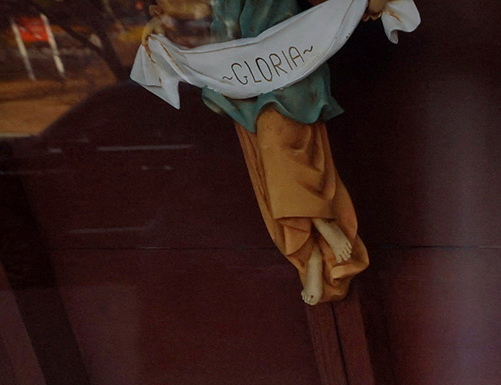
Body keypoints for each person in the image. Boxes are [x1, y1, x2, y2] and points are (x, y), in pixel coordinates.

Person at [154, 0, 388, 304]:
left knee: (276, 139)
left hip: (292, 65)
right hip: (248, 77)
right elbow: (210, 22)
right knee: (268, 160)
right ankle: (312, 249)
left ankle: (321, 226)